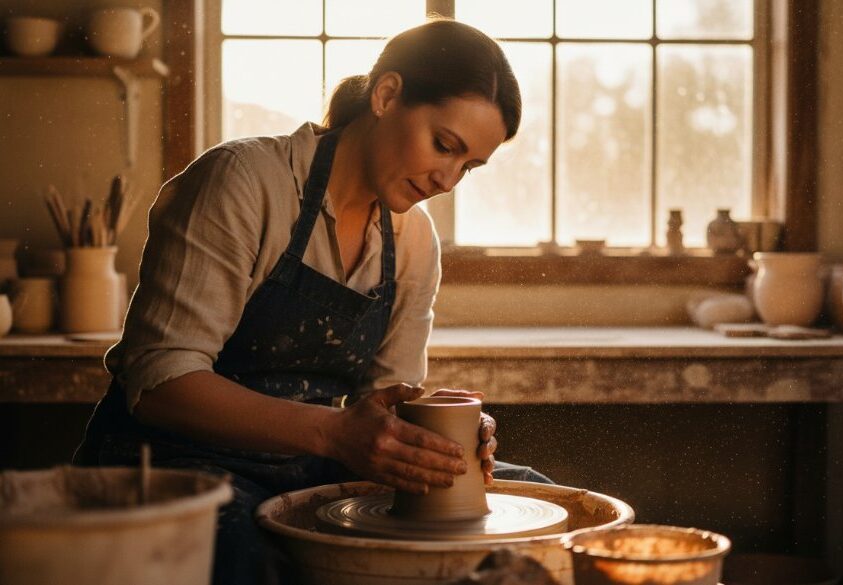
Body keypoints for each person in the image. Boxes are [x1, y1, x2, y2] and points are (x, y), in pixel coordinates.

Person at [75, 18, 550, 585]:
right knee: (245, 558)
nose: (449, 179)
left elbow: (379, 402)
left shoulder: (414, 240)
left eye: (468, 166)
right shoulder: (245, 182)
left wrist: (438, 439)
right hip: (171, 464)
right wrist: (332, 432)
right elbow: (159, 382)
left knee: (534, 511)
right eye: (444, 146)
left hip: (307, 465)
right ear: (386, 94)